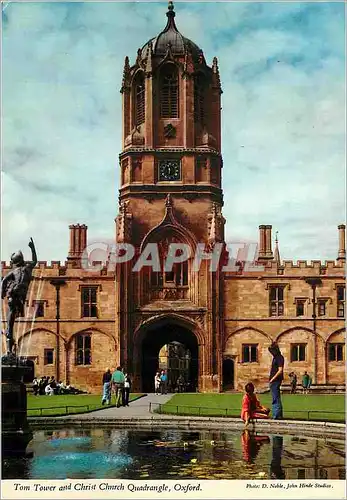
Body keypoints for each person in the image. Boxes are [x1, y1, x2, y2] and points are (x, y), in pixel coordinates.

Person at [268, 342, 284, 419]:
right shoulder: (275, 357)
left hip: (275, 381)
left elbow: (280, 370)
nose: (271, 352)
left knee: (275, 398)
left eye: (272, 350)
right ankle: (277, 415)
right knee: (275, 397)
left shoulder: (279, 357)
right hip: (273, 381)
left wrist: (272, 379)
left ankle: (276, 415)